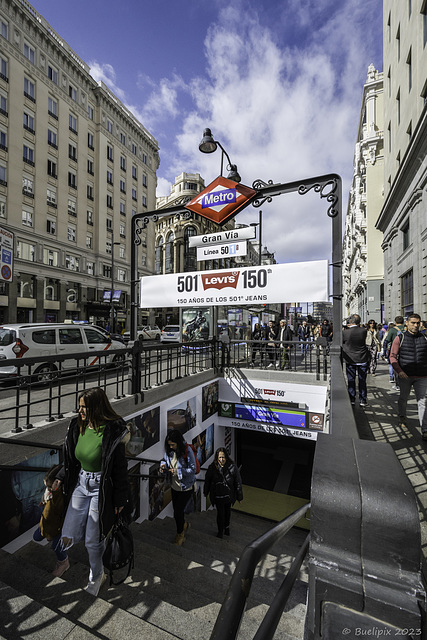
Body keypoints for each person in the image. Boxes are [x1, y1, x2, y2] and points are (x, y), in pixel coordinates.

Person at [58, 387, 130, 596]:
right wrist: (59, 478)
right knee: (67, 534)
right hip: (81, 483)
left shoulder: (112, 433)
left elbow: (119, 470)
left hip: (102, 488)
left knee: (92, 540)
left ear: (96, 408)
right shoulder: (76, 427)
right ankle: (66, 560)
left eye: (84, 407)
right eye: (79, 407)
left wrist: (119, 500)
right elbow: (71, 460)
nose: (79, 411)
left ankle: (96, 576)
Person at [389, 313, 427, 437]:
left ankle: (425, 429)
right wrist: (399, 370)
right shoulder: (400, 338)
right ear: (407, 323)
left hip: (422, 376)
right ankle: (402, 417)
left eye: (418, 323)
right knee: (403, 399)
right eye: (413, 323)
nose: (416, 325)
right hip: (405, 375)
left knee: (423, 402)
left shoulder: (425, 338)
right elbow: (392, 356)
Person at [160, 429, 197, 546]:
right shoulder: (170, 451)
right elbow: (165, 459)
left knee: (177, 512)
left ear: (178, 443)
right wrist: (163, 465)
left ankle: (180, 534)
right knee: (177, 511)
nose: (170, 447)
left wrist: (177, 471)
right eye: (169, 444)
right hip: (174, 486)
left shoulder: (187, 450)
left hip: (185, 487)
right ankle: (184, 525)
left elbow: (193, 469)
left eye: (173, 445)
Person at [32, 464, 69, 577]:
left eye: (49, 488)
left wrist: (56, 492)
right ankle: (50, 534)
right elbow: (46, 496)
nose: (47, 490)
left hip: (59, 527)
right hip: (48, 523)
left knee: (56, 546)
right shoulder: (49, 492)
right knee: (36, 537)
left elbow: (58, 507)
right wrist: (43, 501)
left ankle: (63, 562)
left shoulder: (60, 496)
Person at [204, 448, 243, 538]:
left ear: (226, 457)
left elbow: (238, 482)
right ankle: (220, 531)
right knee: (220, 514)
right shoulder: (212, 468)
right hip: (218, 495)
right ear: (217, 458)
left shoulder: (233, 467)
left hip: (228, 495)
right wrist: (206, 492)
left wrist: (239, 497)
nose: (221, 460)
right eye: (220, 457)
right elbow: (207, 481)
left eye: (223, 457)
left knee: (227, 512)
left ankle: (227, 527)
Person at [342, 314, 369, 407]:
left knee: (351, 380)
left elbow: (343, 342)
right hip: (362, 358)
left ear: (350, 321)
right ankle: (363, 399)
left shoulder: (345, 332)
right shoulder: (364, 331)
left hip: (350, 358)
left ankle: (352, 399)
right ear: (359, 321)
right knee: (362, 380)